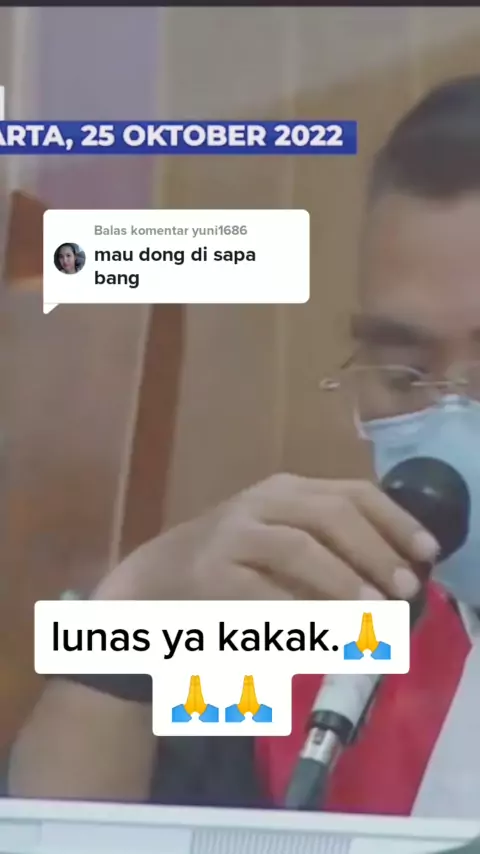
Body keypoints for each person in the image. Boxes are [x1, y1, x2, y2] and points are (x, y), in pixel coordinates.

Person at [8, 75, 480, 817]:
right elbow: (66, 823)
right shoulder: (319, 637)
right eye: (403, 373)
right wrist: (130, 614)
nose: (447, 417)